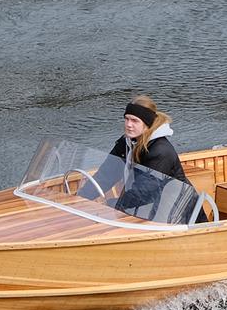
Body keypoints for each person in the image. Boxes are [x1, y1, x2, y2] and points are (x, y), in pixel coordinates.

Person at [81, 95, 207, 223]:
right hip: (150, 207)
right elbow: (106, 174)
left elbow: (144, 192)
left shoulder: (160, 151)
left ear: (147, 124)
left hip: (177, 213)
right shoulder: (127, 143)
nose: (129, 125)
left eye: (135, 121)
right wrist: (80, 199)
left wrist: (113, 206)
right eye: (127, 119)